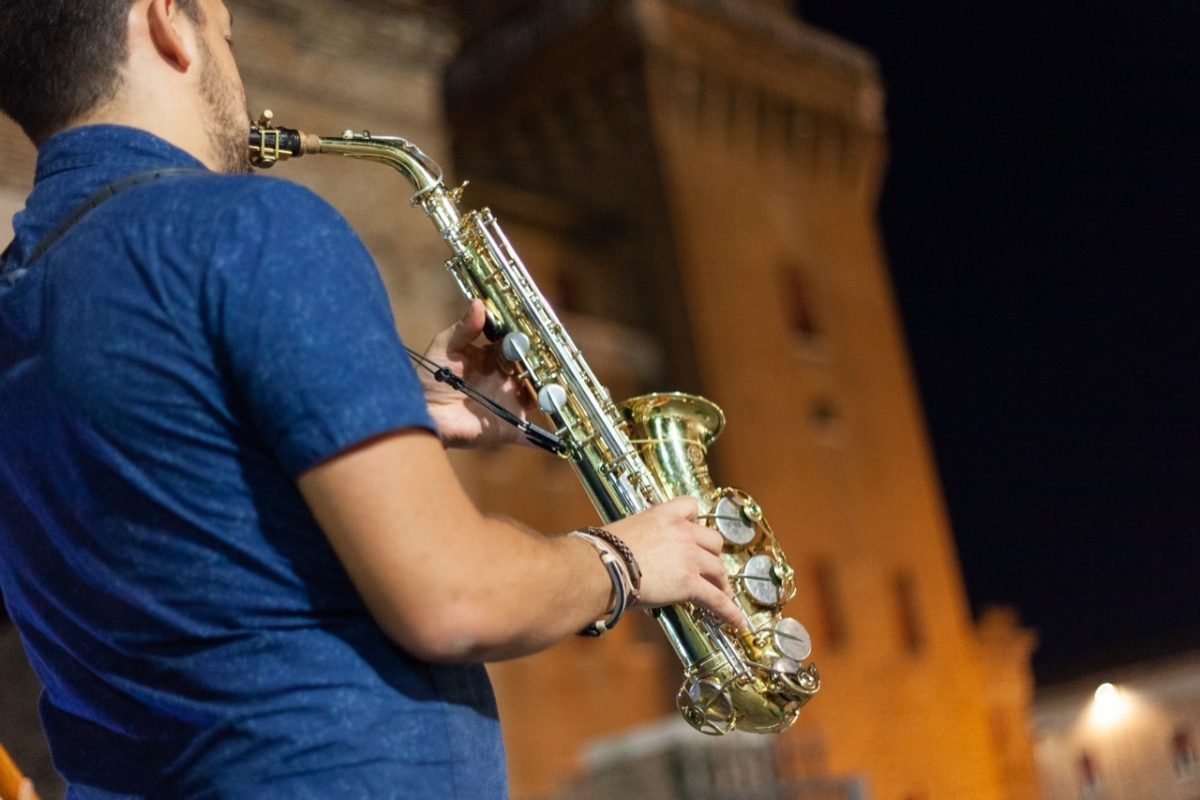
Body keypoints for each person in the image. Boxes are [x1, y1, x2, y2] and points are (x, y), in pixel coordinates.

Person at [0, 0, 746, 797]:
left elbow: (172, 494)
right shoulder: (256, 227)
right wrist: (627, 558)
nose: (240, 87)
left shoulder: (20, 302)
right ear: (164, 24)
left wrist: (383, 404)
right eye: (226, 37)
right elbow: (455, 597)